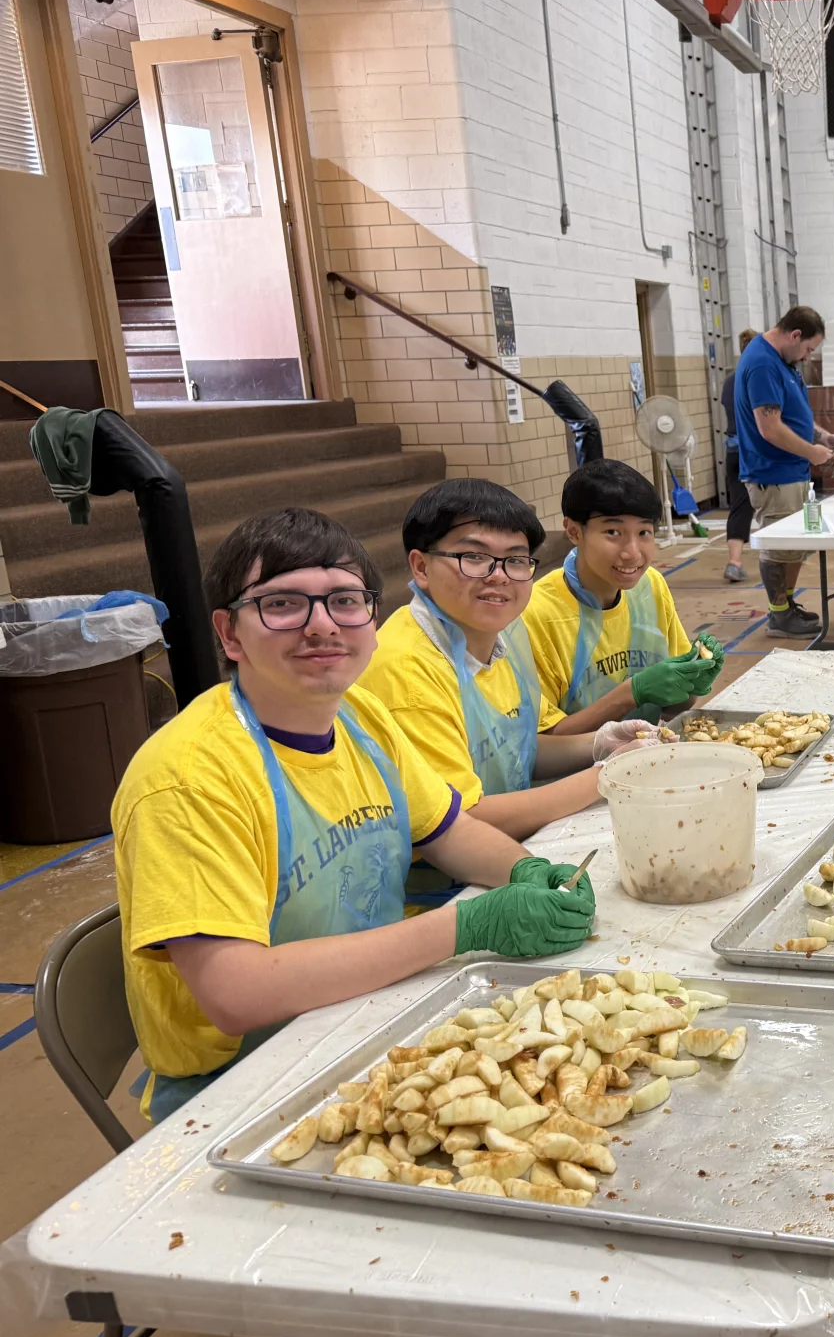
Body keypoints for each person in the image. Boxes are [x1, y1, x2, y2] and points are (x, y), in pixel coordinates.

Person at [112, 508, 597, 1124]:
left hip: (369, 1015)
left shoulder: (359, 717)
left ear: (370, 619)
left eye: (344, 600)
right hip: (244, 1085)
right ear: (230, 635)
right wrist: (465, 927)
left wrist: (527, 874)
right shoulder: (187, 778)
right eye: (282, 604)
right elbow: (236, 992)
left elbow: (449, 832)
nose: (320, 626)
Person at [357, 480, 658, 844]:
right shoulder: (406, 672)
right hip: (441, 887)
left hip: (509, 844)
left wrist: (601, 743)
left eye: (515, 560)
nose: (498, 575)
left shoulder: (498, 636)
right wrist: (606, 774)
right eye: (474, 558)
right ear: (421, 566)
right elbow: (462, 822)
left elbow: (513, 749)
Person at [522, 458, 722, 729]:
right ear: (573, 531)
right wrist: (631, 693)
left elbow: (672, 706)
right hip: (578, 770)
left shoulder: (649, 586)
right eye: (613, 532)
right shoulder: (535, 614)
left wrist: (694, 683)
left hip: (646, 756)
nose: (632, 553)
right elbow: (542, 744)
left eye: (644, 532)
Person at [735, 307, 834, 637]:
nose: (808, 356)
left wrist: (820, 434)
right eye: (809, 349)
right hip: (773, 472)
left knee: (796, 544)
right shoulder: (762, 363)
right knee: (780, 545)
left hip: (791, 470)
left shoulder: (784, 360)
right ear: (795, 335)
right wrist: (813, 452)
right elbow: (769, 427)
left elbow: (792, 412)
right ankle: (779, 614)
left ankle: (785, 606)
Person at [721, 327, 758, 582]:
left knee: (739, 506)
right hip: (754, 452)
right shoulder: (756, 378)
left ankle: (734, 562)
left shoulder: (729, 380)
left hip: (732, 450)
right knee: (772, 504)